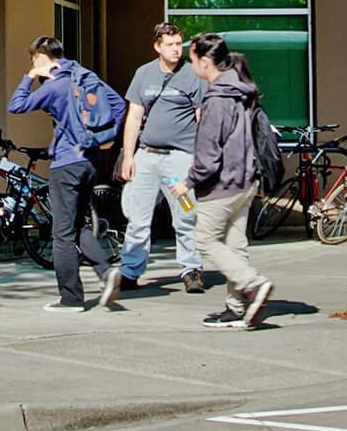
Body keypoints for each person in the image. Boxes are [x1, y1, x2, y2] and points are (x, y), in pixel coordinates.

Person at [5, 35, 126, 312]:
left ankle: (71, 298)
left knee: (61, 234)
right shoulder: (86, 76)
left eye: (33, 59)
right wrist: (104, 138)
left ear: (40, 57)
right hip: (91, 161)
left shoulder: (56, 86)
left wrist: (30, 76)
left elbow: (16, 105)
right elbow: (118, 105)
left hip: (67, 165)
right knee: (78, 224)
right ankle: (106, 273)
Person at [112, 21, 209, 298]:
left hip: (180, 159)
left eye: (180, 44)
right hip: (147, 158)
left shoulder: (193, 75)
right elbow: (134, 117)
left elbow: (202, 118)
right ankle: (130, 271)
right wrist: (129, 156)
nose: (177, 49)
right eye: (171, 45)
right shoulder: (143, 74)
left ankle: (191, 269)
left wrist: (199, 158)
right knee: (137, 216)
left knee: (186, 213)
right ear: (158, 47)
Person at [184, 35, 275, 330]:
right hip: (246, 179)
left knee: (205, 240)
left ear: (205, 62)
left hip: (222, 183)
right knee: (235, 245)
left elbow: (209, 154)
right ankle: (238, 309)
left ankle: (253, 283)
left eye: (192, 59)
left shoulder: (217, 99)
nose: (191, 64)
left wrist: (187, 182)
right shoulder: (241, 90)